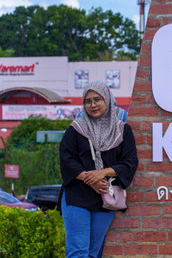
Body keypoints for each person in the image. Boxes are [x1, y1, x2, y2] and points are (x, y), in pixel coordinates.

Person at [58, 81, 138, 258]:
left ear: (108, 100)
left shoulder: (123, 131)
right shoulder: (76, 128)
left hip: (106, 195)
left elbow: (129, 163)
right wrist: (89, 178)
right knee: (78, 251)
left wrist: (102, 173)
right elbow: (66, 159)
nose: (93, 105)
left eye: (97, 99)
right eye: (88, 101)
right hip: (77, 195)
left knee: (94, 252)